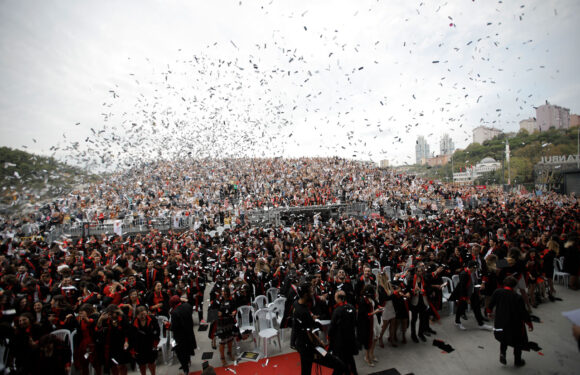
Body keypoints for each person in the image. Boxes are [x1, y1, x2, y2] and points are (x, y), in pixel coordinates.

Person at [292, 282, 346, 375]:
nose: (313, 293)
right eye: (311, 292)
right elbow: (309, 333)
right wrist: (320, 344)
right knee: (339, 365)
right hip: (310, 348)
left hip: (301, 346)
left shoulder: (296, 304)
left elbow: (300, 326)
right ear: (305, 295)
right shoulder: (303, 312)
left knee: (305, 371)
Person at [489, 276, 533, 367]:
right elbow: (523, 312)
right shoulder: (517, 297)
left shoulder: (497, 292)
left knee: (503, 338)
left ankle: (502, 354)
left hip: (501, 322)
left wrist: (489, 313)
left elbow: (490, 305)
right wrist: (529, 323)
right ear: (514, 286)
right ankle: (517, 361)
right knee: (518, 342)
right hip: (514, 324)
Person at [328, 290, 358, 375]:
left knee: (340, 359)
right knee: (349, 357)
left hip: (340, 340)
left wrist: (329, 337)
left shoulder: (338, 310)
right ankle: (353, 372)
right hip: (350, 337)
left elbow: (332, 326)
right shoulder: (352, 307)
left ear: (338, 298)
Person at [170, 295, 197, 375]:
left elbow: (174, 327)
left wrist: (168, 326)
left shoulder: (174, 313)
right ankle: (188, 361)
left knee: (181, 353)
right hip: (189, 332)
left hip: (180, 336)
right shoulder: (187, 306)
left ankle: (186, 369)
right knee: (188, 348)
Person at [130, 306, 160, 375]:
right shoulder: (133, 322)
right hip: (139, 347)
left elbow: (157, 331)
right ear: (137, 315)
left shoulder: (152, 319)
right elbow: (131, 337)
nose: (143, 316)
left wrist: (155, 344)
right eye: (141, 315)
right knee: (142, 365)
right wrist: (132, 350)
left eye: (144, 314)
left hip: (150, 344)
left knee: (151, 363)